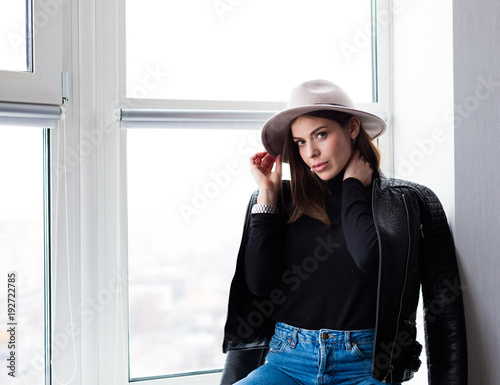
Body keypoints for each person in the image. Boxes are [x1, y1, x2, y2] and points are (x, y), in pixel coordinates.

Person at [220, 79, 467, 384]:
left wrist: (352, 188)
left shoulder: (405, 202)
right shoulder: (277, 203)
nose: (310, 152)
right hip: (286, 362)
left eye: (321, 135)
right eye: (299, 142)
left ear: (351, 128)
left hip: (365, 368)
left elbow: (371, 259)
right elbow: (258, 285)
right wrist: (267, 199)